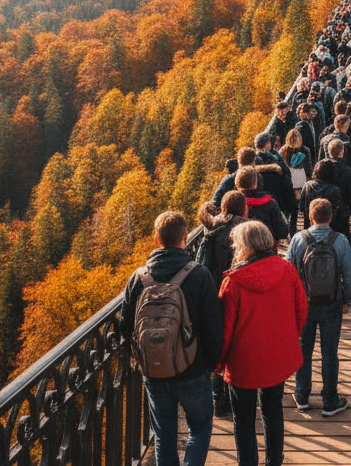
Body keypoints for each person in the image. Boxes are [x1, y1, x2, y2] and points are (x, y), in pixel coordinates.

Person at [120, 211, 223, 466]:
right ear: (185, 237)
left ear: (156, 239)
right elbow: (213, 326)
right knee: (199, 429)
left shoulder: (138, 277)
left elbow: (125, 326)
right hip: (193, 369)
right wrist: (209, 364)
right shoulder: (198, 274)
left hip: (154, 371)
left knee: (164, 435)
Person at [218, 220, 307, 466]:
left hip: (243, 361)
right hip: (277, 357)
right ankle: (274, 462)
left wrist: (218, 363)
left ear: (243, 246)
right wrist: (288, 338)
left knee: (244, 421)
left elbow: (225, 330)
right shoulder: (287, 269)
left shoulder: (233, 282)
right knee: (273, 412)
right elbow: (301, 310)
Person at [287, 198, 351, 417]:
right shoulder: (341, 239)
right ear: (330, 217)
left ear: (309, 217)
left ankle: (302, 395)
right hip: (332, 303)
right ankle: (329, 400)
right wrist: (346, 299)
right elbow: (349, 274)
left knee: (303, 349)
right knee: (329, 352)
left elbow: (289, 274)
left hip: (304, 304)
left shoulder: (298, 239)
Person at [197, 190, 248, 418]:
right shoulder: (247, 232)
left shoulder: (211, 235)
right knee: (238, 344)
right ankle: (239, 394)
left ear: (224, 209)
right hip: (241, 296)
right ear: (243, 210)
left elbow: (201, 268)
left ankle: (219, 399)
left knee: (219, 347)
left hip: (217, 297)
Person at [236, 166, 289, 244]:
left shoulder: (234, 203)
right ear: (255, 183)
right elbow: (282, 231)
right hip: (267, 247)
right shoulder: (270, 203)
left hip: (241, 248)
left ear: (237, 184)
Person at [281, 128, 313, 234]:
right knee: (295, 208)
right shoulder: (302, 150)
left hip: (297, 180)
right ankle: (294, 230)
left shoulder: (285, 150)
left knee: (300, 207)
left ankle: (301, 229)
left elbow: (308, 167)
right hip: (294, 180)